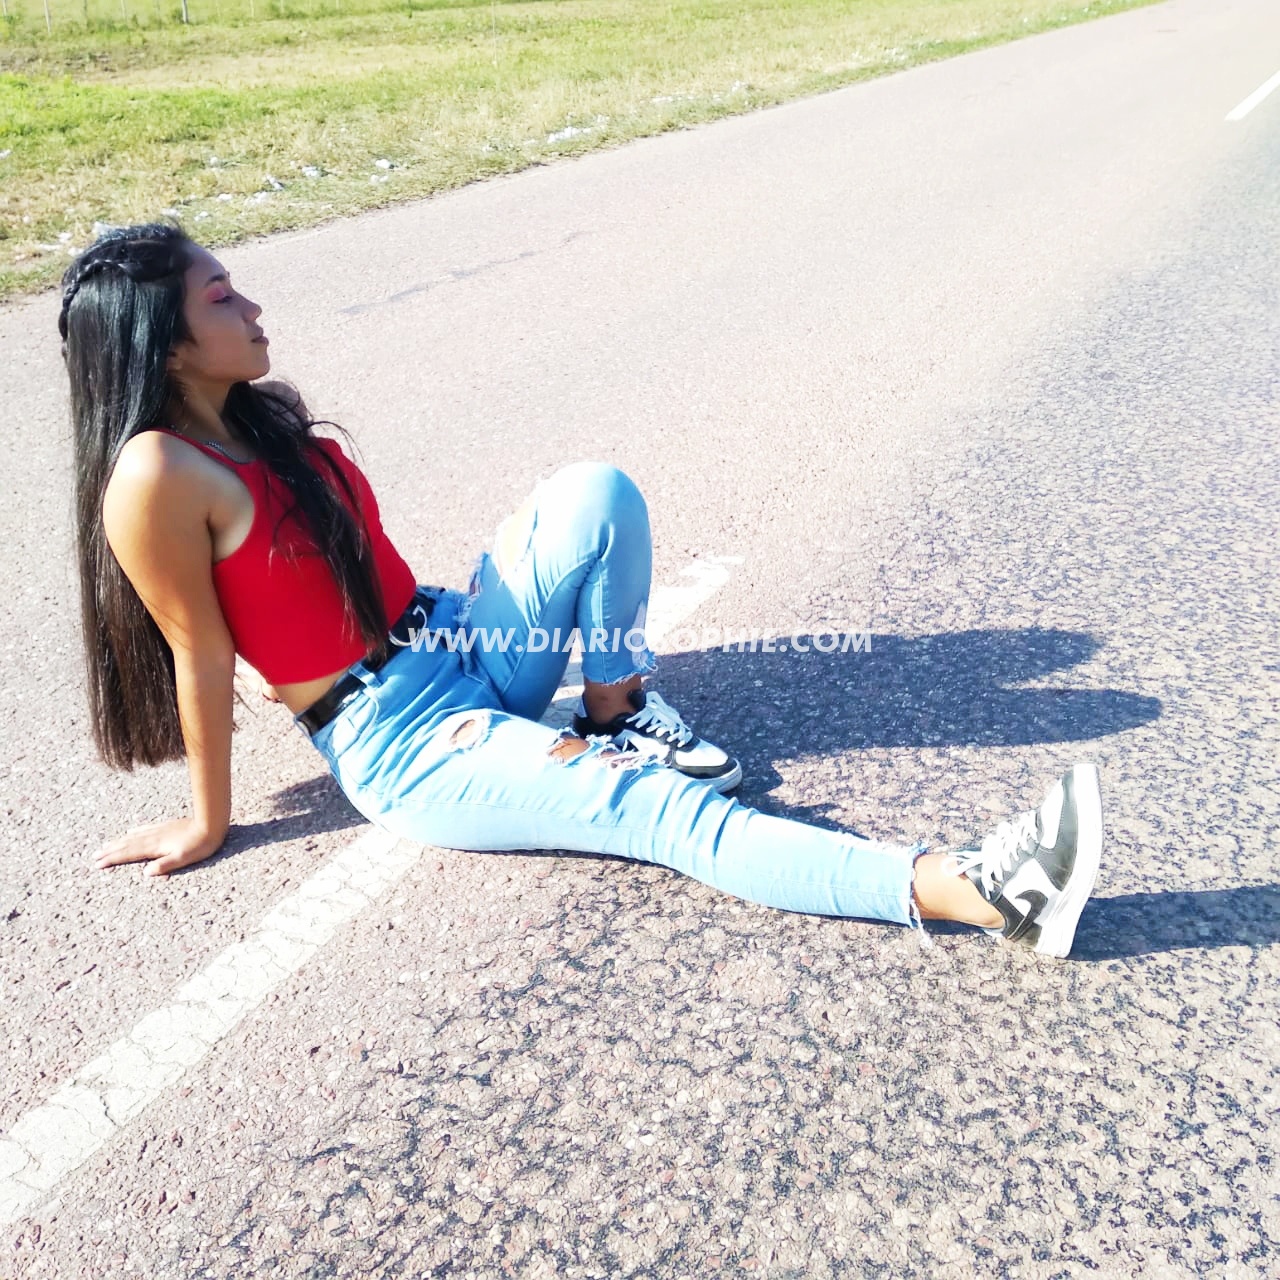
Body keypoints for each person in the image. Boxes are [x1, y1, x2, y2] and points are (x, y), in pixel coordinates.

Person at [60, 223, 1103, 959]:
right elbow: (198, 649)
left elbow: (330, 566)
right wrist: (207, 820)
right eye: (221, 298)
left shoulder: (256, 414)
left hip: (457, 638)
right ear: (161, 339)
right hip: (406, 736)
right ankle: (978, 889)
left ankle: (615, 708)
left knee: (593, 494)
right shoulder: (155, 474)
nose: (253, 308)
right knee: (666, 811)